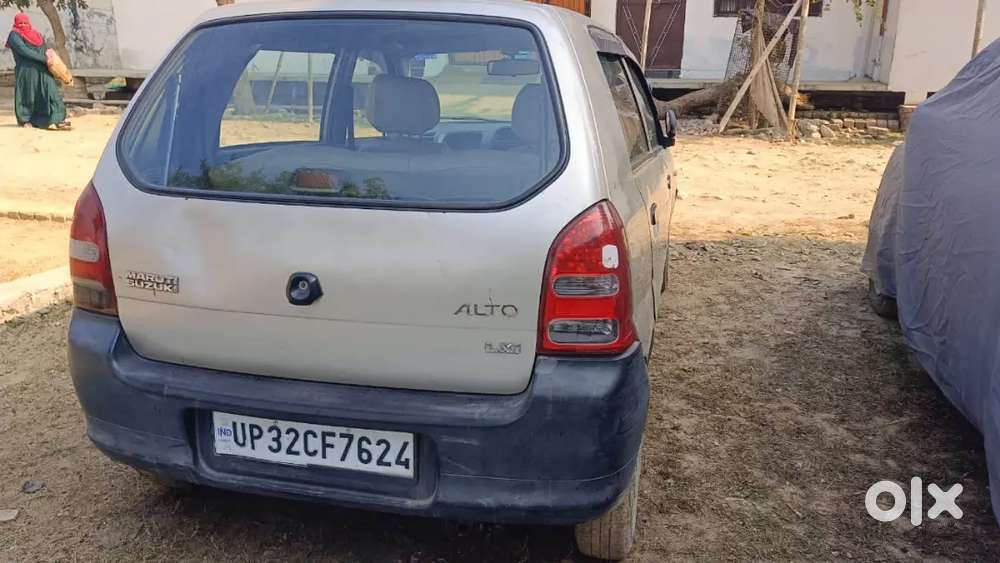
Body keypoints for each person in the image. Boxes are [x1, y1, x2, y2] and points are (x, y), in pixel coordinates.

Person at [6, 14, 70, 130]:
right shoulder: (14, 35)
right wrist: (44, 59)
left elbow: (43, 47)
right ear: (16, 23)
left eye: (25, 23)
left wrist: (49, 53)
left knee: (52, 92)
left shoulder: (36, 34)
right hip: (26, 71)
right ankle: (25, 120)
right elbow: (24, 51)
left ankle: (59, 119)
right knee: (28, 96)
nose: (23, 25)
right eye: (20, 23)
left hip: (43, 69)